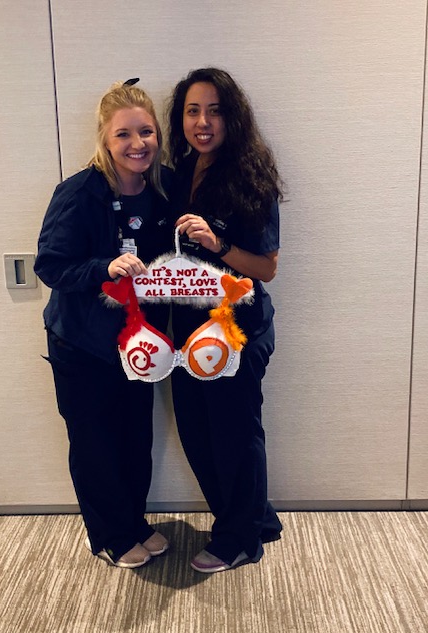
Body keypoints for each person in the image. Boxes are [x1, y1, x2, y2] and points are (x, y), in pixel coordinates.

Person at [35, 80, 172, 569]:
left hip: (135, 344)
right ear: (105, 140)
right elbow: (49, 266)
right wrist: (103, 268)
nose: (138, 144)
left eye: (147, 132)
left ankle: (133, 522)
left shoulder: (163, 189)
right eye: (124, 135)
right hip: (82, 345)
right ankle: (111, 536)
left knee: (136, 439)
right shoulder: (79, 192)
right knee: (94, 442)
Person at [167, 68, 284, 573]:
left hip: (237, 330)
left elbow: (268, 268)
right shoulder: (180, 171)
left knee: (235, 434)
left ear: (232, 116)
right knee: (196, 431)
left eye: (214, 110)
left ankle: (239, 540)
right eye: (193, 110)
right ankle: (257, 519)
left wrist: (219, 245)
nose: (203, 121)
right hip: (189, 330)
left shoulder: (249, 174)